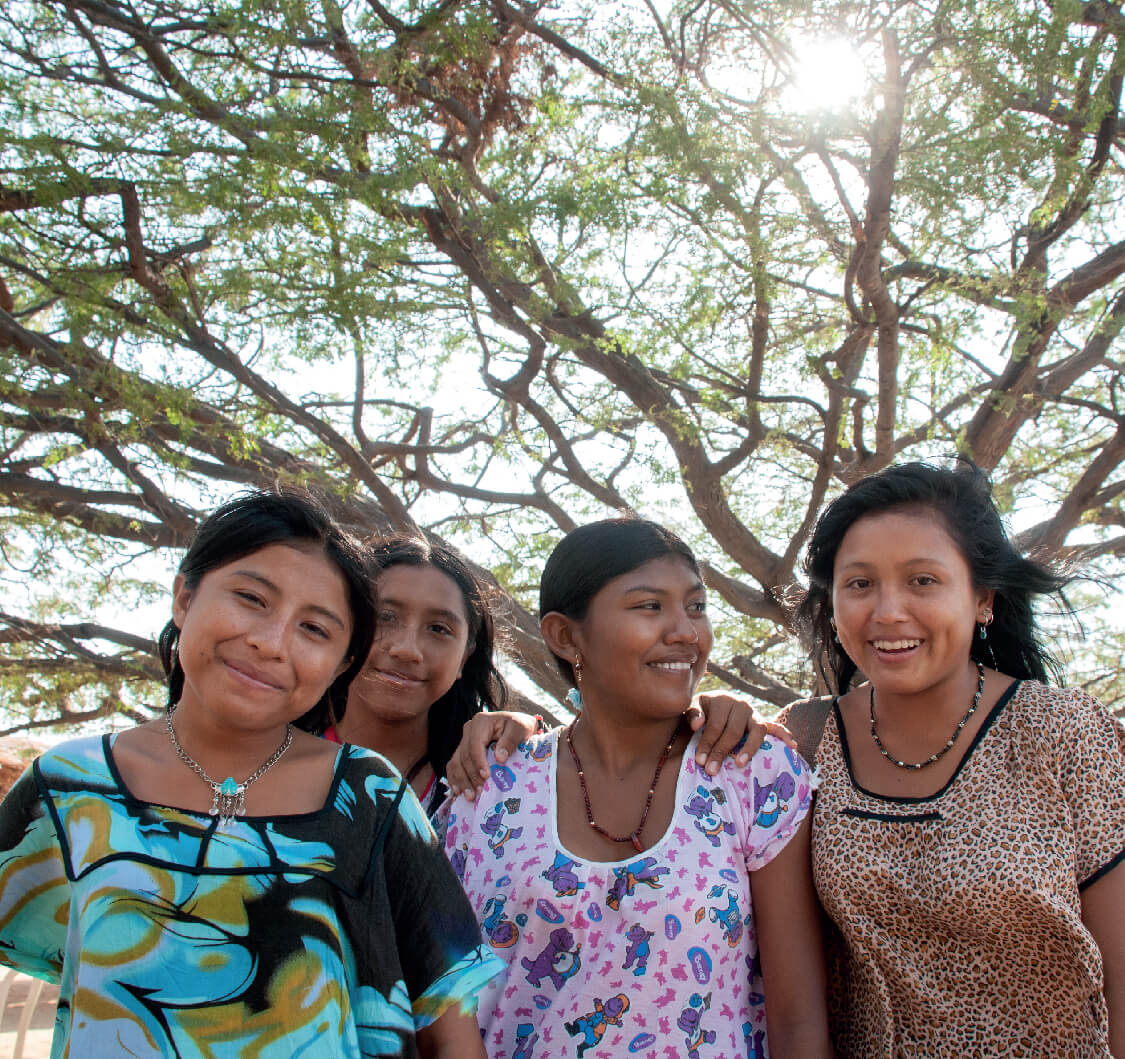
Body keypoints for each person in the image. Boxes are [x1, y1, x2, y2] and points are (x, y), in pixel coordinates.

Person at [0, 490, 500, 1058]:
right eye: (251, 598)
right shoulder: (66, 786)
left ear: (342, 664)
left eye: (315, 629)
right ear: (185, 598)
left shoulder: (369, 796)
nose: (270, 642)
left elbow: (448, 1029)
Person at [444, 518, 831, 1058]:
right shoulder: (489, 786)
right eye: (650, 606)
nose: (685, 632)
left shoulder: (752, 773)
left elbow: (800, 1020)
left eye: (695, 606)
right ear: (563, 634)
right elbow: (445, 1008)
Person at [784, 461, 1125, 1057]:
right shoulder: (804, 740)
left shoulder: (1063, 732)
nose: (888, 612)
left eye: (922, 581)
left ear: (983, 598)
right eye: (860, 584)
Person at [325, 535, 507, 823]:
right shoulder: (268, 752)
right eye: (385, 616)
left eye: (438, 628)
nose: (407, 650)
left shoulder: (495, 781)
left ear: (466, 656)